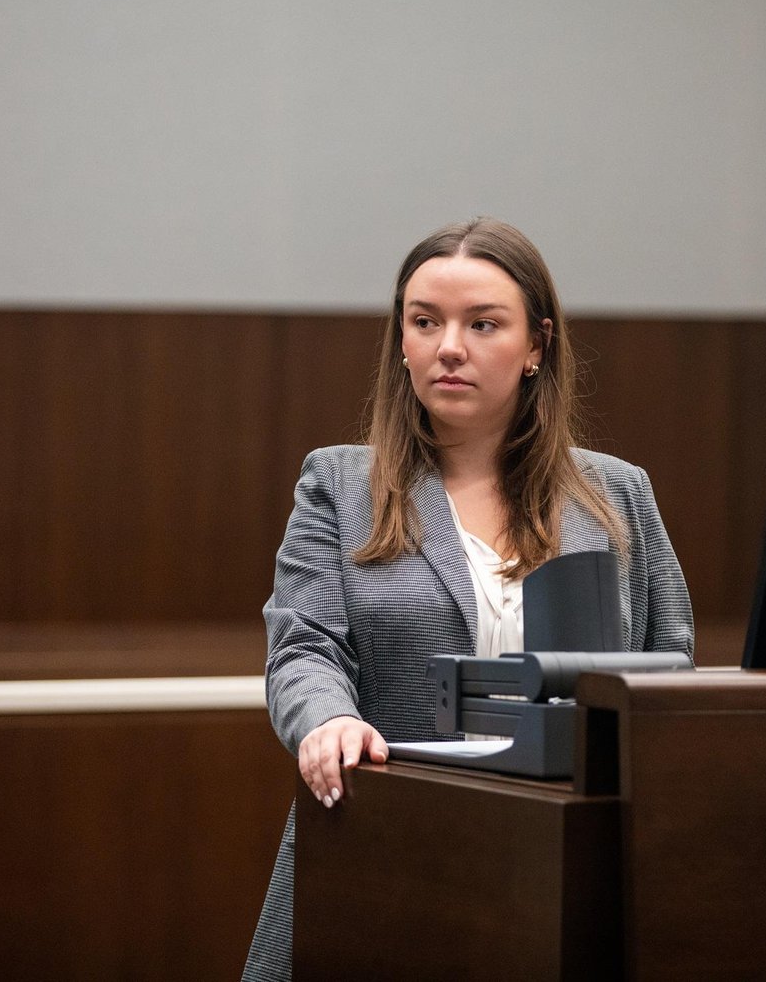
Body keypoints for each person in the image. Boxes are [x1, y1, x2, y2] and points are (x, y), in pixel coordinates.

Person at [241, 217, 694, 979]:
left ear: (537, 345)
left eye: (482, 323)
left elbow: (668, 663)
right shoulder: (340, 485)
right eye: (425, 322)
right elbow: (303, 648)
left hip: (569, 862)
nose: (449, 346)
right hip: (389, 848)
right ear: (402, 340)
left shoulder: (617, 493)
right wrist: (328, 721)